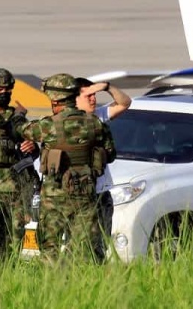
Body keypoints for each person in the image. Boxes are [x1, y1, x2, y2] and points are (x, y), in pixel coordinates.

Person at [22, 73, 116, 262]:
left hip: (54, 197)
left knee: (50, 248)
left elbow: (24, 130)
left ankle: (53, 286)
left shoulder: (49, 125)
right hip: (85, 196)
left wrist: (18, 116)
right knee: (84, 249)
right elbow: (110, 154)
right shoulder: (95, 123)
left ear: (55, 100)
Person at [0, 68, 38, 264]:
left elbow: (32, 151)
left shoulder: (17, 118)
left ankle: (13, 277)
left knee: (17, 239)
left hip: (16, 190)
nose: (3, 93)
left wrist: (32, 146)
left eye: (7, 89)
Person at [75, 77, 131, 256]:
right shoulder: (65, 124)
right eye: (88, 96)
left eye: (94, 95)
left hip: (102, 192)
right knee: (81, 244)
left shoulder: (99, 115)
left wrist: (107, 87)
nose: (93, 99)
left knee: (101, 244)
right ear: (74, 99)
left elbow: (124, 102)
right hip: (81, 194)